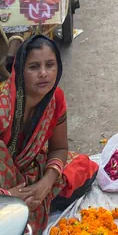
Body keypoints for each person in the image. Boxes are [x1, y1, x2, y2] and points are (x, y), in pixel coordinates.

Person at [0, 36, 98, 235]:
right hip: (4, 182)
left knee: (84, 169)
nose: (43, 74)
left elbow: (59, 148)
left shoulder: (55, 101)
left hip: (30, 172)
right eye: (34, 67)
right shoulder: (3, 105)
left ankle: (31, 202)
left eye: (50, 65)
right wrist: (7, 195)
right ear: (20, 70)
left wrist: (45, 184)